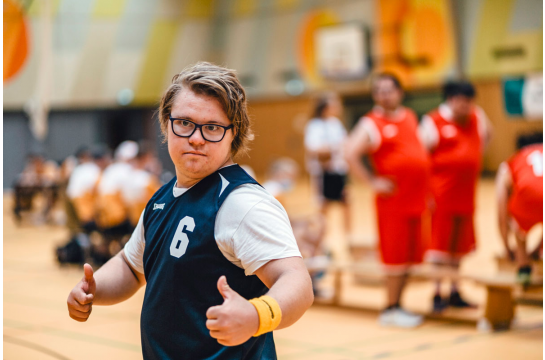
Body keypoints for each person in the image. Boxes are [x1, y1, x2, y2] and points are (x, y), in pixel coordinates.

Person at [67, 62, 313, 359]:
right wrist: (93, 290)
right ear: (166, 125)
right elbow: (132, 267)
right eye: (184, 123)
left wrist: (256, 315)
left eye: (211, 128)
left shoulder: (242, 202)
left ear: (232, 134)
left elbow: (297, 281)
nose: (196, 138)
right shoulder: (162, 197)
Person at [344, 73, 430, 328]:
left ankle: (399, 305)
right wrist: (372, 182)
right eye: (378, 90)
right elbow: (350, 153)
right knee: (395, 259)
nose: (384, 94)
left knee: (411, 259)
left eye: (388, 89)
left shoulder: (410, 117)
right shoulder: (371, 123)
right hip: (393, 203)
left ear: (399, 92)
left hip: (416, 199)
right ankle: (390, 308)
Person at [419, 81, 492, 312]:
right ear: (450, 99)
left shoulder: (477, 116)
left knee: (459, 247)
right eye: (462, 100)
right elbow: (420, 159)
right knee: (440, 248)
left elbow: (488, 135)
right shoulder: (433, 121)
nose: (466, 105)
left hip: (466, 195)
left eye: (470, 101)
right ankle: (437, 292)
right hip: (441, 195)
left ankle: (454, 291)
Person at [496, 142, 543, 285]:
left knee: (518, 223)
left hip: (526, 195)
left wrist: (507, 248)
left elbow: (501, 208)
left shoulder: (512, 161)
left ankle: (523, 268)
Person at [304, 92, 351, 234]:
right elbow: (313, 148)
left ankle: (349, 238)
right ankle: (321, 241)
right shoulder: (314, 125)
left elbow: (346, 144)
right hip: (323, 173)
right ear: (325, 107)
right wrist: (333, 148)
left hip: (339, 170)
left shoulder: (336, 123)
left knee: (347, 202)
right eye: (334, 103)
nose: (337, 106)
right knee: (324, 206)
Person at [121, 141, 162, 227]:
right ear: (145, 157)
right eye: (151, 157)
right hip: (148, 222)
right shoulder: (147, 180)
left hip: (132, 222)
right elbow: (162, 201)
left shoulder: (128, 177)